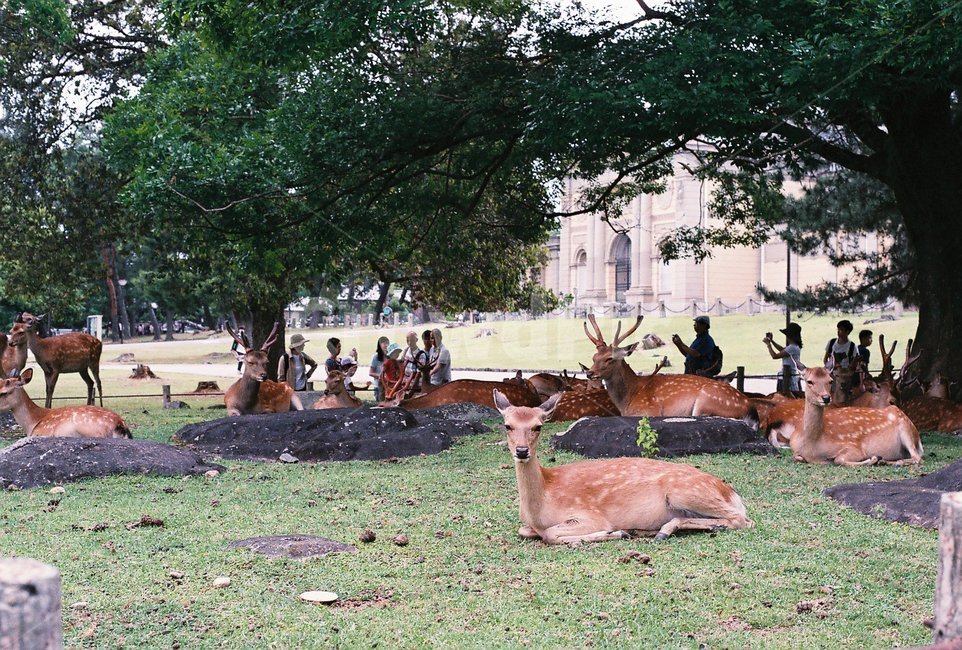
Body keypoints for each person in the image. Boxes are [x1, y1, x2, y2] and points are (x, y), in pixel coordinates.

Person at [764, 322, 804, 393]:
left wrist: (768, 344)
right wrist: (772, 341)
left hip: (788, 377)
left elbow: (775, 356)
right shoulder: (794, 346)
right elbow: (782, 350)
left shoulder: (792, 347)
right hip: (791, 376)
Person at [368, 336, 390, 401]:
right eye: (384, 343)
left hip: (388, 386)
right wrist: (382, 376)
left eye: (387, 343)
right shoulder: (376, 357)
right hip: (378, 386)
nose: (386, 345)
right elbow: (371, 373)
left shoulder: (389, 356)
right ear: (380, 345)